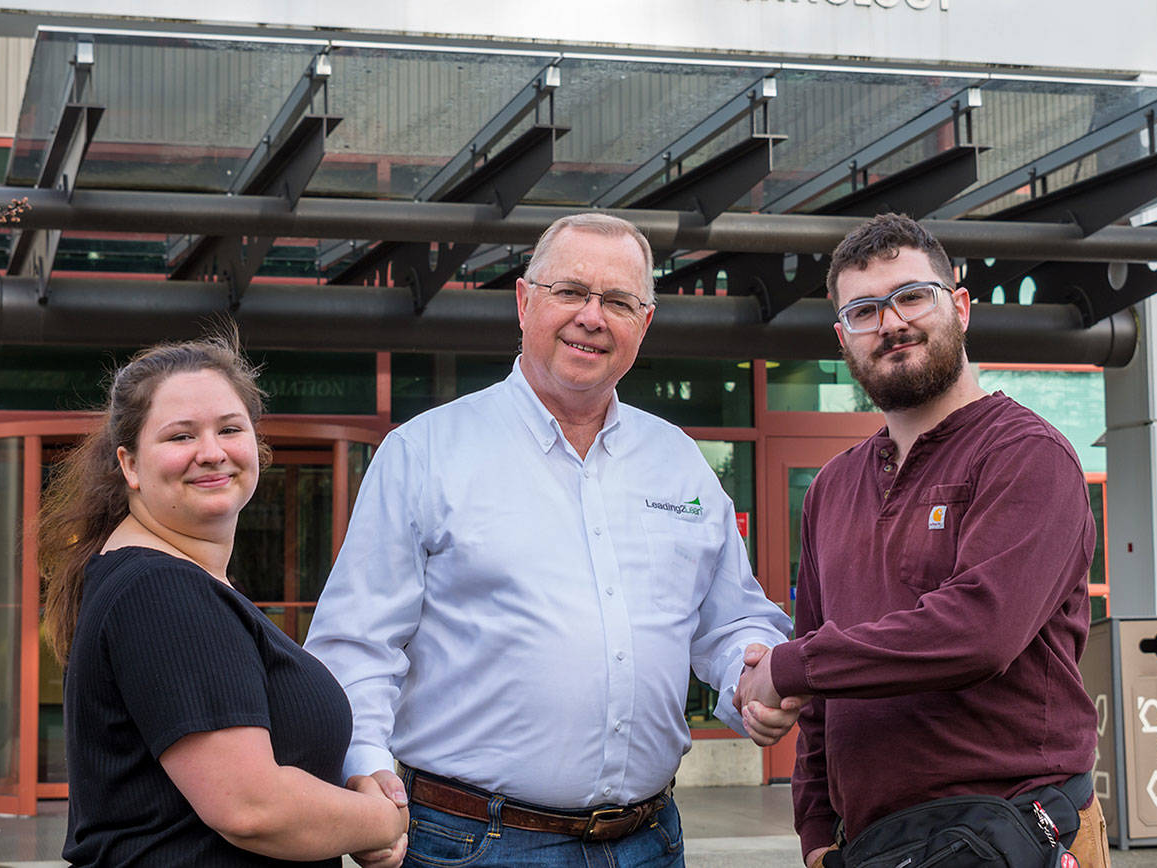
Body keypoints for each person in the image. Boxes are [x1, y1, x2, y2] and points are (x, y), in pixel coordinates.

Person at [304, 213, 799, 867]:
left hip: (651, 841)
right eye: (570, 292)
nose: (592, 317)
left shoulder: (677, 460)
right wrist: (365, 772)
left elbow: (730, 620)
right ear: (523, 301)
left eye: (618, 301)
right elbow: (357, 644)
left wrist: (749, 677)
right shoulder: (424, 454)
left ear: (643, 324)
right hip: (473, 843)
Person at [734, 213, 1108, 868]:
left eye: (912, 296)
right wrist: (818, 835)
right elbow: (822, 693)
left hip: (1017, 833)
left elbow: (977, 631)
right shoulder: (831, 488)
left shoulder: (1026, 455)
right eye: (865, 311)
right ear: (843, 338)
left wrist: (789, 668)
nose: (891, 323)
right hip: (878, 846)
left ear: (959, 306)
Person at [41, 335, 408, 867]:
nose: (211, 451)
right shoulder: (162, 592)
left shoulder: (171, 581)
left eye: (230, 429)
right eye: (180, 435)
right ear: (130, 465)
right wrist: (385, 819)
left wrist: (339, 814)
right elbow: (251, 808)